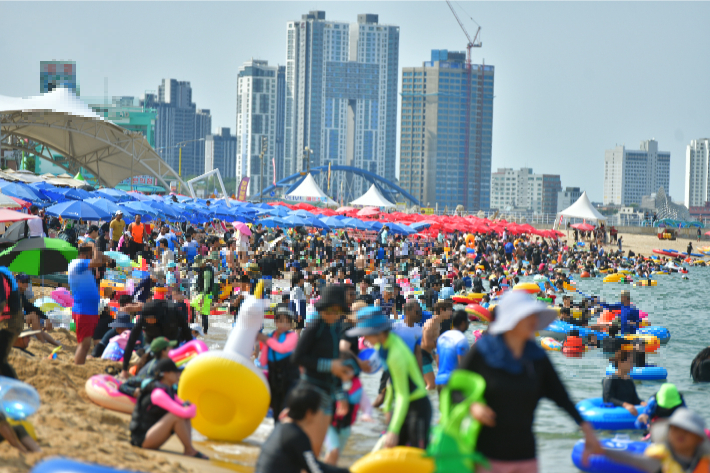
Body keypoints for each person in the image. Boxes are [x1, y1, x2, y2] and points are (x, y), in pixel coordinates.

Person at [460, 290, 602, 471]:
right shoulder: (483, 351)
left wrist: (586, 429)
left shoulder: (536, 357)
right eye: (528, 316)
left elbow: (561, 396)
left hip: (526, 455)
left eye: (534, 316)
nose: (534, 321)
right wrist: (472, 405)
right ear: (512, 319)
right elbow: (455, 387)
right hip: (488, 455)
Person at [347, 306, 431, 449]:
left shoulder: (395, 354)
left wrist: (393, 429)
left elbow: (403, 395)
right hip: (403, 406)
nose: (364, 338)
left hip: (417, 408)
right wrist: (387, 409)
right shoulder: (383, 346)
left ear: (378, 332)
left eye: (366, 334)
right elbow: (391, 382)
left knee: (418, 457)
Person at [292, 285, 354, 457]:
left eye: (337, 311)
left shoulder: (335, 329)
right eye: (330, 310)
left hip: (328, 396)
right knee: (307, 449)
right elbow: (297, 358)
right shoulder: (314, 328)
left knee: (317, 450)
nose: (333, 315)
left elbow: (336, 366)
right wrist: (329, 366)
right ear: (322, 308)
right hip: (309, 391)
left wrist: (341, 395)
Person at [255, 384, 350, 473]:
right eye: (317, 410)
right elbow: (315, 469)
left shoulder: (281, 427)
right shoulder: (297, 436)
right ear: (309, 413)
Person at [129, 358, 207, 459]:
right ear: (165, 374)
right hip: (141, 440)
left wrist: (188, 408)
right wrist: (188, 408)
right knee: (176, 415)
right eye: (175, 372)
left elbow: (188, 409)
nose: (178, 375)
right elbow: (184, 411)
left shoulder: (168, 390)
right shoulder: (158, 393)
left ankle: (190, 449)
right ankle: (189, 450)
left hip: (152, 436)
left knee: (182, 415)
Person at [605, 408, 710, 473]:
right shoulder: (661, 463)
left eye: (687, 430)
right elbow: (632, 458)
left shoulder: (706, 463)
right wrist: (602, 450)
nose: (680, 433)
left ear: (699, 438)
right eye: (675, 429)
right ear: (668, 434)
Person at [120, 299, 192, 380]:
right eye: (147, 319)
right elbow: (131, 341)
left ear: (157, 316)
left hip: (171, 342)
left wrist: (192, 350)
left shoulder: (173, 312)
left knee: (171, 365)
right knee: (150, 362)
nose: (149, 321)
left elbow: (186, 331)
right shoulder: (143, 318)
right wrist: (124, 369)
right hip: (152, 342)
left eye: (151, 318)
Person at [68, 244, 114, 365]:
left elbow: (101, 259)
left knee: (85, 344)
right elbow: (97, 261)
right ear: (85, 255)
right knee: (84, 345)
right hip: (84, 310)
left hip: (89, 310)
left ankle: (79, 365)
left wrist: (105, 257)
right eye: (90, 255)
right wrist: (94, 245)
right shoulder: (77, 264)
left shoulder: (82, 265)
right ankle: (77, 368)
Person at [257, 307, 300, 423]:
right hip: (275, 380)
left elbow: (282, 348)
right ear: (276, 322)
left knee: (286, 413)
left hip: (290, 380)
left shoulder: (293, 336)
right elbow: (263, 361)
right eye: (280, 321)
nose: (283, 324)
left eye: (286, 321)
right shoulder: (271, 336)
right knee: (276, 414)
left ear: (291, 324)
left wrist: (266, 339)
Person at [324, 352, 363, 465]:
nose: (346, 374)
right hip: (329, 423)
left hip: (345, 428)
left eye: (349, 371)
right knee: (333, 451)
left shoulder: (356, 385)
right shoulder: (332, 383)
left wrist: (367, 413)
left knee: (335, 456)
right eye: (343, 371)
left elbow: (363, 402)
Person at [15, 273, 60, 346]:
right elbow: (30, 308)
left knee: (37, 327)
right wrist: (46, 318)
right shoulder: (15, 294)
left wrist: (45, 318)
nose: (26, 284)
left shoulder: (21, 294)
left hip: (17, 320)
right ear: (17, 282)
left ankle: (55, 343)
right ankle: (43, 342)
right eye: (23, 281)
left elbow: (30, 308)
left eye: (27, 281)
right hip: (11, 322)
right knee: (33, 316)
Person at [434, 309, 470, 390]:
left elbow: (438, 362)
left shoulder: (442, 337)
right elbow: (462, 365)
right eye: (468, 322)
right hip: (453, 382)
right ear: (463, 323)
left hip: (439, 381)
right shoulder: (461, 339)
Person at [603, 350, 645, 417]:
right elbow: (608, 398)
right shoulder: (611, 379)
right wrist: (625, 405)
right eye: (630, 362)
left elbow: (635, 399)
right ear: (620, 363)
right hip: (614, 414)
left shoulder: (629, 381)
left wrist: (642, 403)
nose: (632, 365)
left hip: (629, 412)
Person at [0, 267, 23, 378]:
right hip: (9, 321)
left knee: (0, 362)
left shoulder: (1, 273)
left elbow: (1, 303)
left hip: (9, 324)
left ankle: (16, 389)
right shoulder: (3, 271)